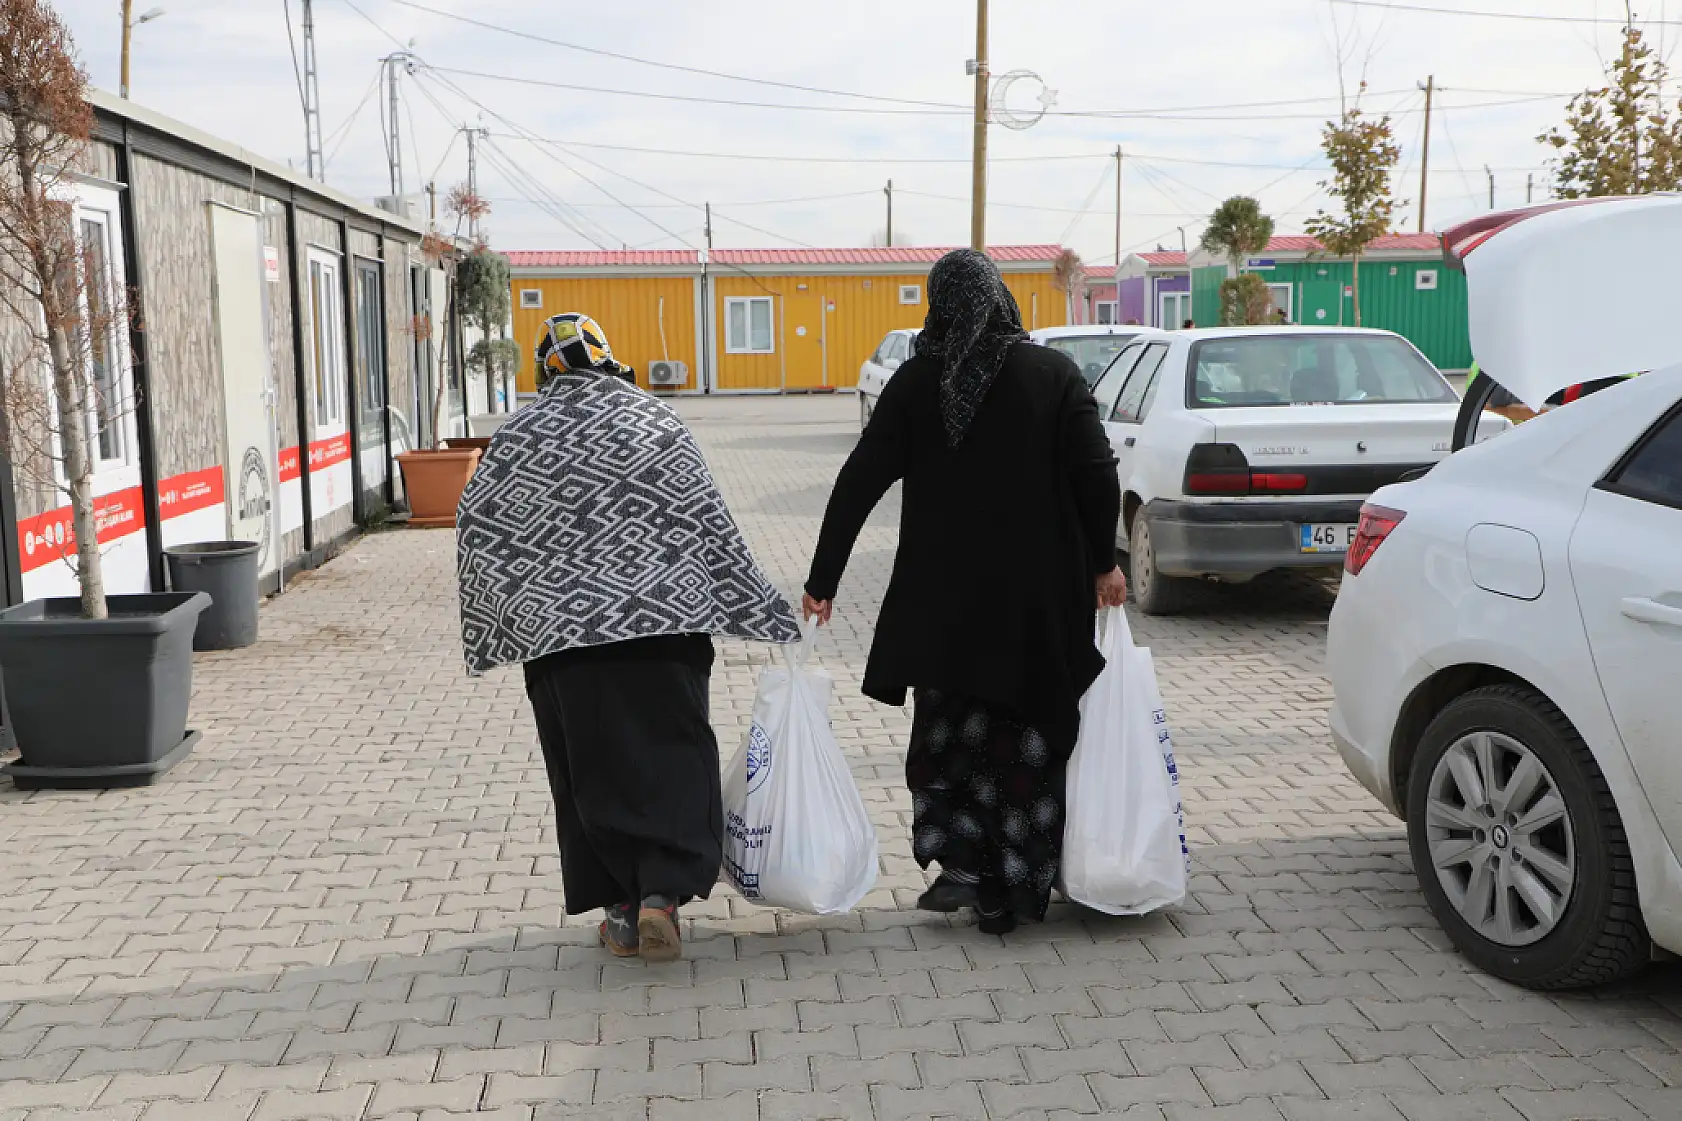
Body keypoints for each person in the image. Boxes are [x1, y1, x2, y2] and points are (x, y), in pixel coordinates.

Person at [456, 312, 800, 962]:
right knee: (673, 753)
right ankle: (660, 897)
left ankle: (619, 909)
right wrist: (755, 601)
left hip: (568, 639)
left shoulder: (521, 434)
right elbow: (706, 513)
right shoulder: (655, 419)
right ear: (609, 359)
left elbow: (477, 515)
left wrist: (511, 611)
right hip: (664, 628)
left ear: (544, 370)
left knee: (592, 766)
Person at [803, 249, 1126, 934]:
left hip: (944, 609)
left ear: (938, 305)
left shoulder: (920, 380)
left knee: (957, 734)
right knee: (1027, 737)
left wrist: (823, 580)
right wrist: (1104, 562)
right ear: (1003, 299)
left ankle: (969, 865)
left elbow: (860, 477)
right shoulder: (1053, 374)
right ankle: (1012, 881)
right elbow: (1098, 474)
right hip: (1037, 606)